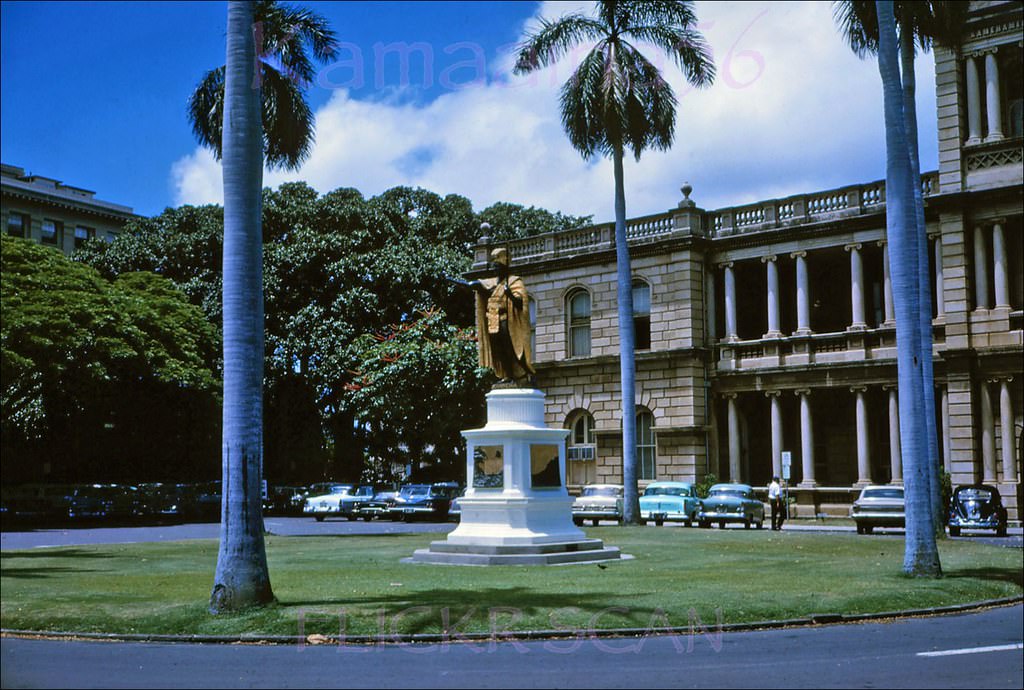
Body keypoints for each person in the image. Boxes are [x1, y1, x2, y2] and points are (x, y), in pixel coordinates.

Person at [468, 248, 535, 385]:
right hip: (493, 322)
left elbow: (520, 303)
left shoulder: (514, 282)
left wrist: (509, 293)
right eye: (494, 267)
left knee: (511, 348)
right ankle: (507, 375)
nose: (495, 270)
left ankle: (524, 372)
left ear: (504, 267)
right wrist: (451, 280)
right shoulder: (491, 283)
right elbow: (473, 285)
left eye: (498, 267)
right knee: (499, 350)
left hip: (506, 321)